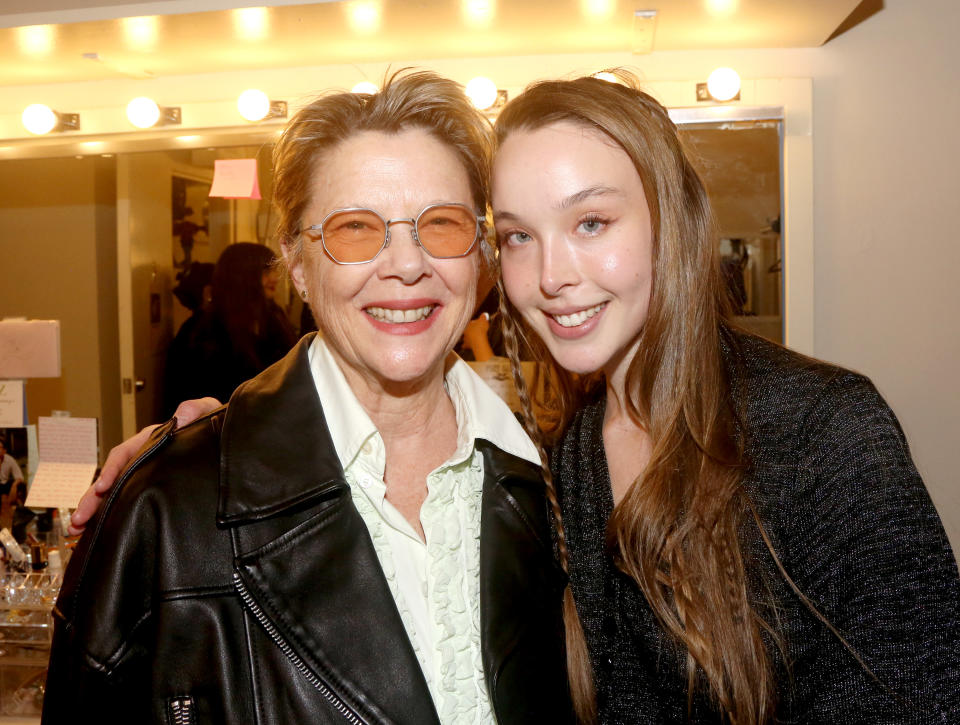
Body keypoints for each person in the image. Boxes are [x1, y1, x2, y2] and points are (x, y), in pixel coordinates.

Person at [46, 71, 571, 724]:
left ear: (479, 254)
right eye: (356, 228)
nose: (407, 265)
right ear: (296, 261)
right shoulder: (167, 509)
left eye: (440, 223)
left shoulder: (561, 483)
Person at [490, 73, 960, 723]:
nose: (550, 275)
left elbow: (921, 700)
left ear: (672, 222)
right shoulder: (569, 451)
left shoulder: (824, 428)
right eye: (518, 236)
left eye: (591, 222)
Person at [163, 242, 298, 412]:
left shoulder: (275, 319)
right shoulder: (203, 331)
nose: (275, 278)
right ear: (243, 276)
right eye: (266, 271)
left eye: (274, 270)